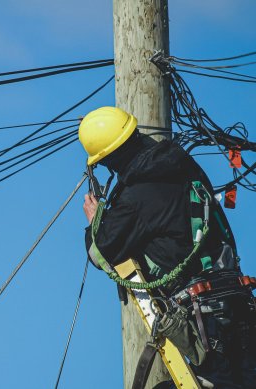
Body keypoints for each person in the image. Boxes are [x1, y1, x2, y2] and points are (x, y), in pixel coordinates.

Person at [79, 106, 256, 389]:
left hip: (204, 321)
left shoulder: (136, 196)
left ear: (109, 160)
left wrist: (95, 220)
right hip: (239, 304)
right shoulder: (185, 167)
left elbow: (101, 252)